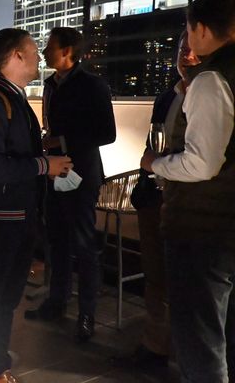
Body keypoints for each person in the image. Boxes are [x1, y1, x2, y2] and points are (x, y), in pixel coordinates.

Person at [0, 29, 71, 383]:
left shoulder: (15, 99)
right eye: (34, 50)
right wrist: (44, 165)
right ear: (16, 56)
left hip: (19, 215)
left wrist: (43, 158)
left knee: (7, 298)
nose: (39, 56)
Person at [141, 0, 235, 383]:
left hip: (202, 227)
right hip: (226, 225)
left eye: (189, 30)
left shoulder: (212, 79)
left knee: (200, 339)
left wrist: (156, 164)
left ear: (201, 29)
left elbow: (202, 163)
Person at [111, 31, 200, 371]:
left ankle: (189, 356)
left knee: (191, 283)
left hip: (191, 205)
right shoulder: (167, 97)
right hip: (155, 199)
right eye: (181, 49)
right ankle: (155, 347)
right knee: (155, 277)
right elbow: (153, 146)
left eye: (193, 49)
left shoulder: (215, 97)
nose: (186, 56)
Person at [25, 27, 116, 342]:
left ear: (67, 51)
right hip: (54, 172)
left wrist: (61, 140)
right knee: (56, 241)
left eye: (50, 46)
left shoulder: (93, 85)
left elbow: (107, 133)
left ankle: (87, 314)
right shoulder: (51, 84)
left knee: (84, 244)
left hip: (81, 174)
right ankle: (57, 301)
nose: (45, 51)